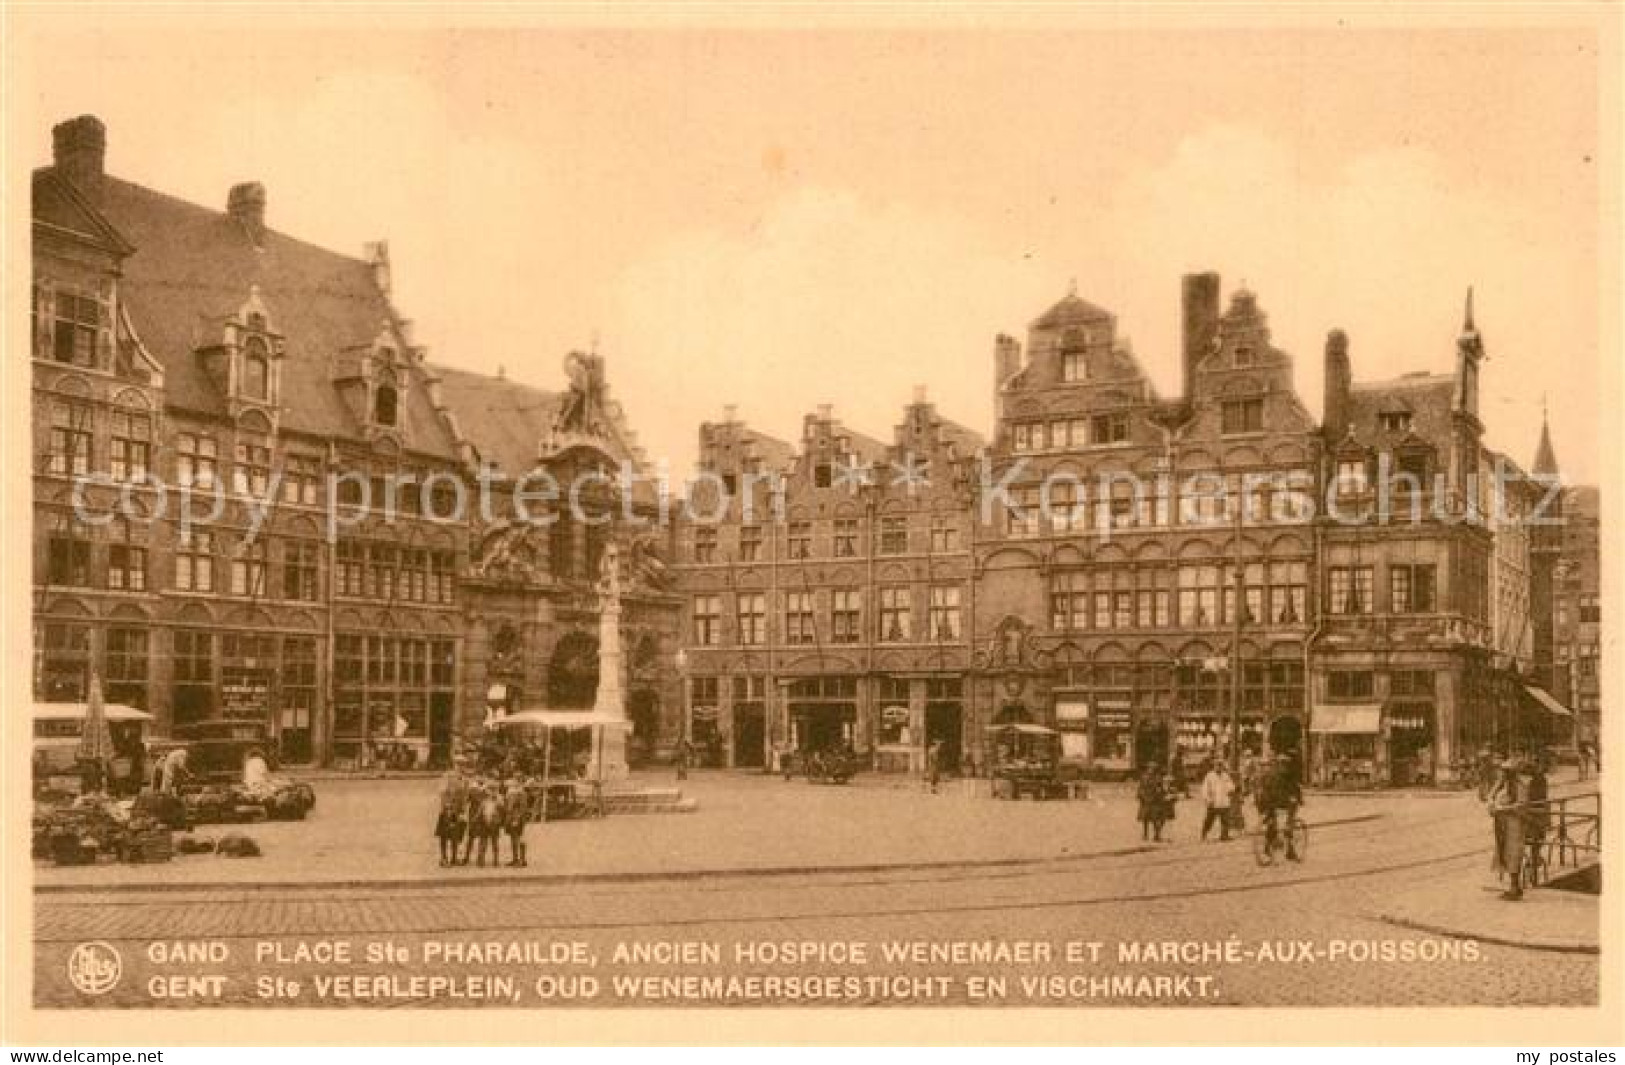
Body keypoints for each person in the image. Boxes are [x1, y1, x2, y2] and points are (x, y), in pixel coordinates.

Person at [1487, 757, 1526, 900]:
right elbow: (1489, 796)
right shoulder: (1503, 785)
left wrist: (1502, 809)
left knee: (1513, 853)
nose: (1503, 774)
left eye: (1506, 772)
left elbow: (1521, 805)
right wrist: (1492, 801)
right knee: (1504, 852)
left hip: (1514, 824)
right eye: (1503, 771)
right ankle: (1513, 887)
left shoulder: (1519, 786)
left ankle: (1515, 888)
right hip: (1502, 823)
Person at [1256, 752, 1304, 861]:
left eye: (1284, 763)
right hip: (1280, 801)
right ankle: (1287, 849)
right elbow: (1295, 788)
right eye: (1282, 763)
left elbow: (1263, 791)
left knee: (1274, 823)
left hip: (1273, 802)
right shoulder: (1288, 774)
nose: (1283, 766)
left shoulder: (1271, 774)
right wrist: (1298, 799)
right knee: (1285, 822)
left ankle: (1272, 847)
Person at [436, 761, 471, 867]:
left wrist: (463, 809)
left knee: (456, 835)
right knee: (444, 834)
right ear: (455, 765)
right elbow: (442, 791)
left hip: (458, 811)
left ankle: (454, 858)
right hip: (448, 809)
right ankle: (443, 858)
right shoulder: (447, 776)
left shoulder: (465, 779)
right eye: (459, 765)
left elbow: (465, 795)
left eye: (463, 765)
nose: (461, 767)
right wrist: (447, 806)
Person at [1200, 760, 1236, 842]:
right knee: (1209, 819)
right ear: (1214, 766)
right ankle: (1204, 833)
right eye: (1217, 766)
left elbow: (1230, 785)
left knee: (1225, 820)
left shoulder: (1225, 775)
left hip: (1223, 801)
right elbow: (1205, 789)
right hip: (1213, 801)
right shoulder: (1209, 776)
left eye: (1220, 766)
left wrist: (1231, 789)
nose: (1219, 767)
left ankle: (1224, 835)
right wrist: (1207, 799)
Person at [502, 777, 532, 868]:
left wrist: (517, 819)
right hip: (512, 819)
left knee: (520, 839)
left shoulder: (521, 793)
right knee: (514, 839)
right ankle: (515, 859)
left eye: (511, 784)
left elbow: (523, 809)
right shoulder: (511, 793)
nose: (509, 786)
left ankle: (522, 860)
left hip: (517, 819)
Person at [1136, 764, 1170, 842]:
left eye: (1153, 769)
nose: (1152, 770)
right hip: (1151, 801)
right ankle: (1152, 835)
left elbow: (1140, 789)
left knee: (1149, 819)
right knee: (1154, 818)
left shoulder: (1147, 777)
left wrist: (1142, 797)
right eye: (1151, 768)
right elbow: (1159, 790)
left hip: (1148, 801)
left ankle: (1150, 835)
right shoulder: (1156, 778)